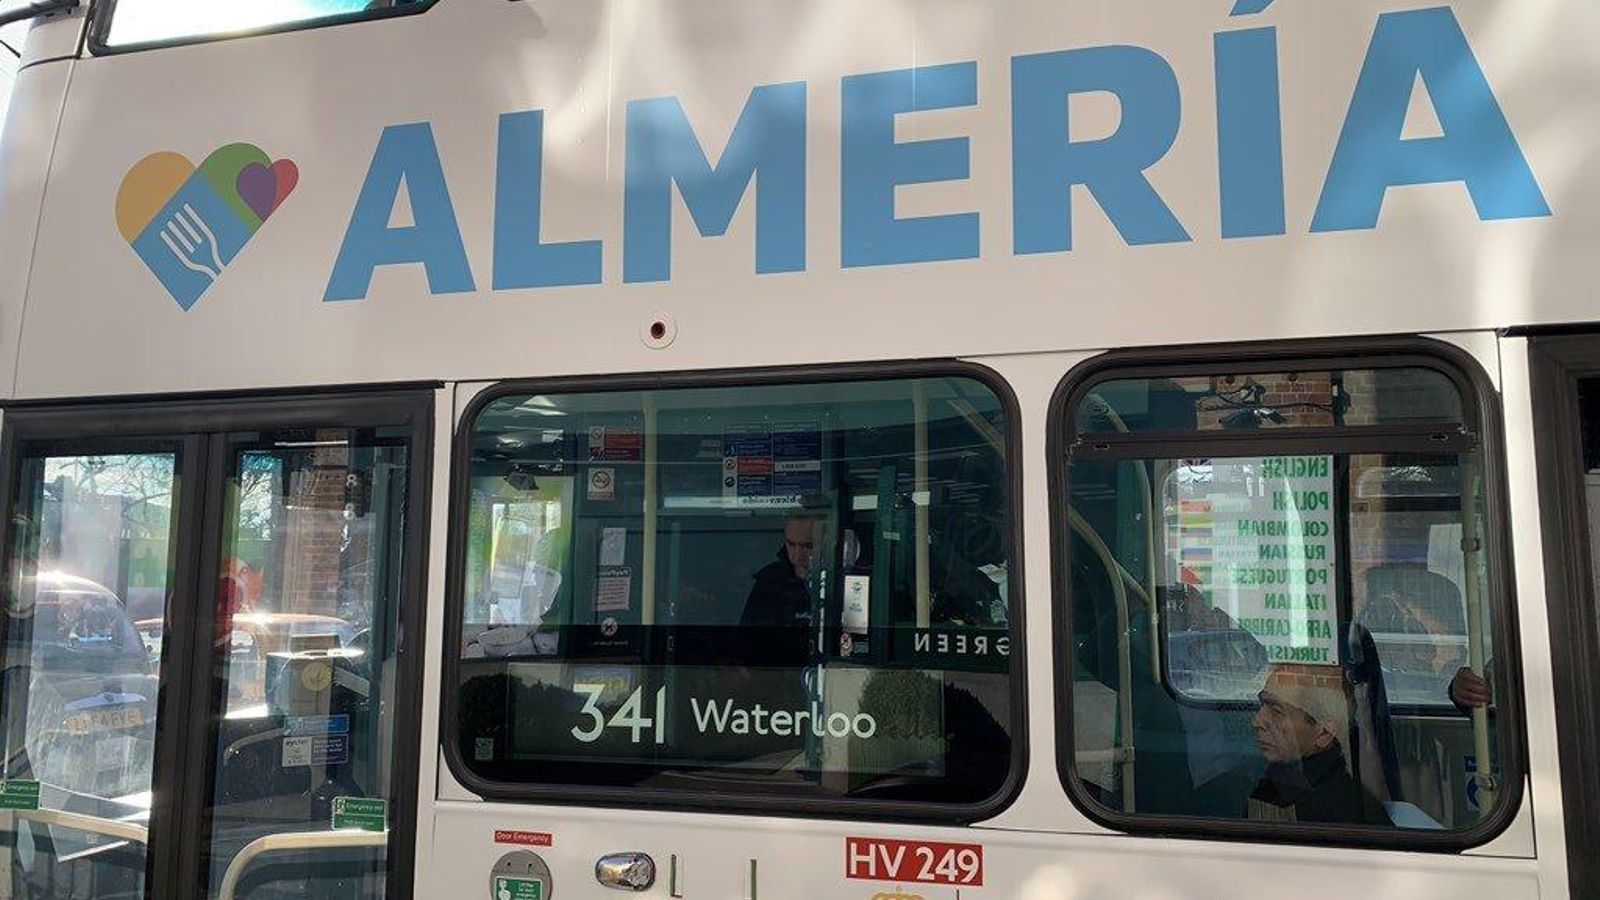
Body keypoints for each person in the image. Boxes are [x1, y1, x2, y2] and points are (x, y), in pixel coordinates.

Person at [1245, 664, 1388, 825]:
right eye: (1262, 705)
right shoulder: (1287, 778)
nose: (1257, 721)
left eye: (1277, 711)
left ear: (1324, 732)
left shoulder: (1318, 811)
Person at [739, 514, 820, 628]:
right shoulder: (769, 581)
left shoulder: (842, 580)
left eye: (808, 546)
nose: (797, 556)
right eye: (791, 544)